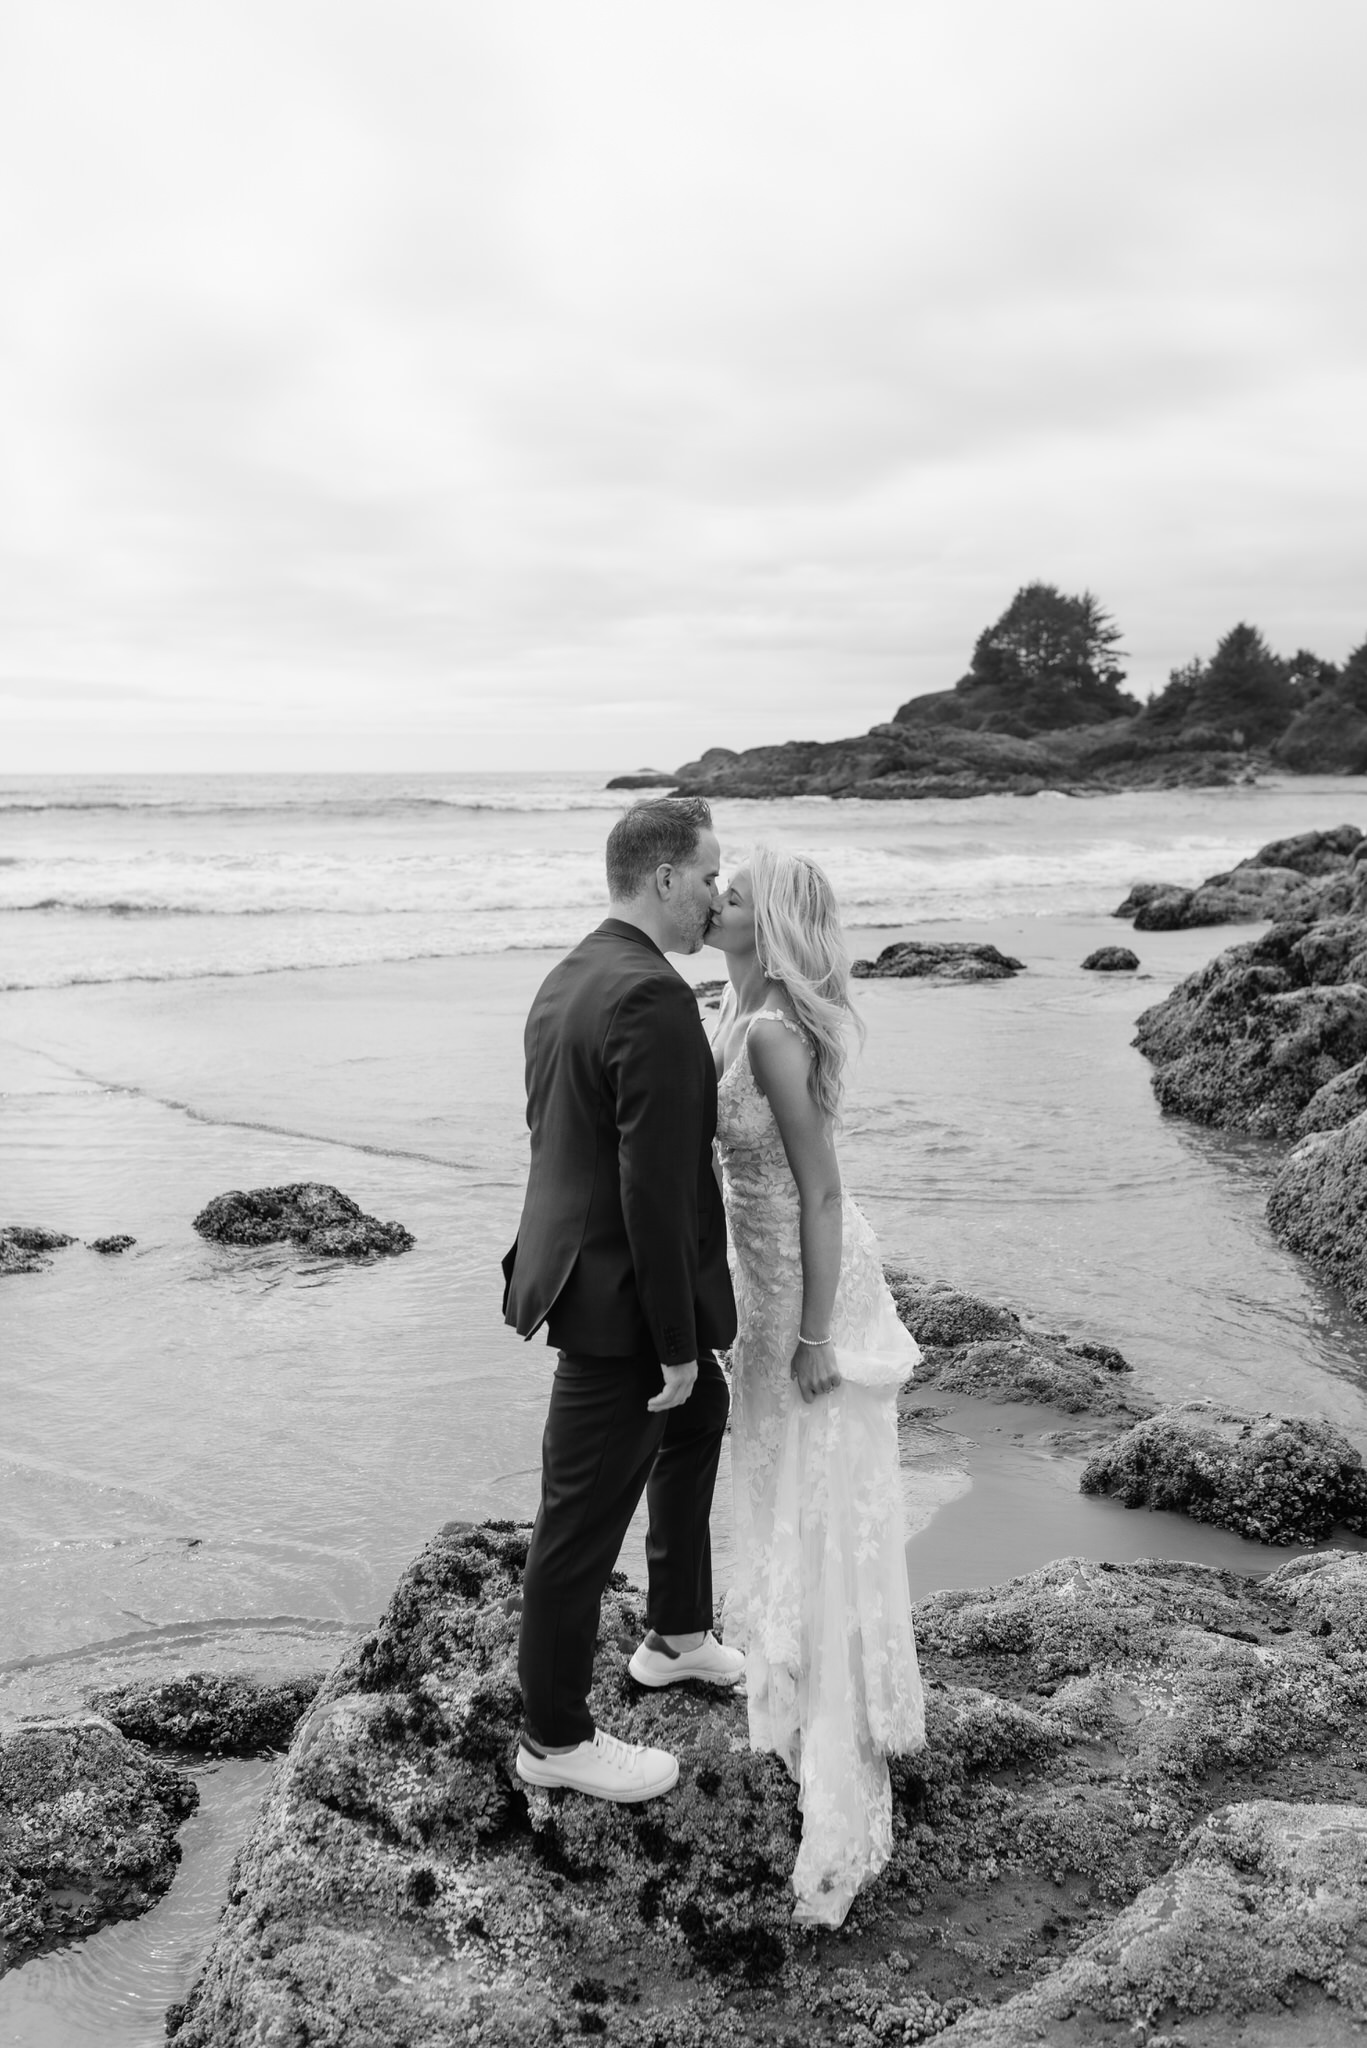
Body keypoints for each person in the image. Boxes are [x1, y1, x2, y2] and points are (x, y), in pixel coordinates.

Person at [503, 796, 743, 1804]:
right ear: (661, 880)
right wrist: (676, 1340)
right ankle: (554, 1735)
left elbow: (548, 1130)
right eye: (705, 878)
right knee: (576, 1522)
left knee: (703, 1416)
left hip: (575, 1268)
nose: (715, 896)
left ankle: (677, 1631)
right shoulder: (651, 998)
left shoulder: (570, 974)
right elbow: (655, 1187)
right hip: (619, 1304)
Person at [707, 845, 926, 1925]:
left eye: (733, 894)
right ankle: (785, 1701)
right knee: (776, 1494)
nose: (715, 899)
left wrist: (806, 1334)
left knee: (818, 1506)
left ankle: (831, 1758)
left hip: (810, 1294)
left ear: (772, 922)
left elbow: (822, 1190)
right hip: (761, 1292)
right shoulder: (728, 1004)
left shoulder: (769, 1035)